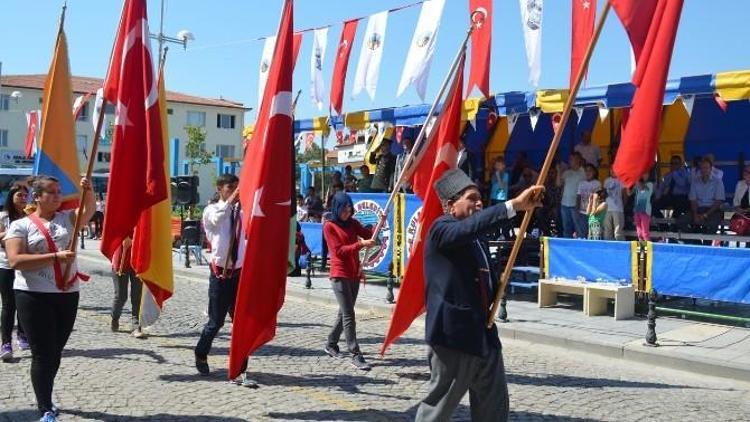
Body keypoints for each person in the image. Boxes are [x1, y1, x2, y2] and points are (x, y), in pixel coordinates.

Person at [415, 169, 543, 421]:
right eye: (472, 198)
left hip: (484, 335)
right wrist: (513, 205)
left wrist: (498, 285)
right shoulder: (440, 229)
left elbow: (480, 279)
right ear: (451, 205)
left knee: (493, 410)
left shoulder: (476, 239)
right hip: (454, 338)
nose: (479, 203)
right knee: (437, 411)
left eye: (480, 198)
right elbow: (470, 228)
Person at [5, 175, 95, 421]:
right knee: (42, 353)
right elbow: (15, 260)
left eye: (59, 191)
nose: (57, 196)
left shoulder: (69, 219)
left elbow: (90, 210)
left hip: (67, 294)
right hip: (33, 295)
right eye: (51, 192)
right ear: (37, 197)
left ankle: (46, 391)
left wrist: (88, 189)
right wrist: (55, 257)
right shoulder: (20, 225)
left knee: (55, 351)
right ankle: (44, 406)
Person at [194, 174, 254, 387]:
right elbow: (218, 218)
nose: (235, 191)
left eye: (237, 187)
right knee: (216, 322)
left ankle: (240, 367)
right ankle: (201, 352)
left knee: (241, 323)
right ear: (220, 188)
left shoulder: (241, 211)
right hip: (220, 275)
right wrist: (231, 201)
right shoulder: (212, 209)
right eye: (231, 187)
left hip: (239, 274)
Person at [322, 192, 376, 371]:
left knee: (344, 313)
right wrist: (361, 244)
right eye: (344, 209)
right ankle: (355, 353)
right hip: (339, 274)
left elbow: (368, 234)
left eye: (349, 209)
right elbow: (339, 251)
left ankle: (331, 343)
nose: (347, 212)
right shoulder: (329, 227)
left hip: (354, 273)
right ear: (337, 208)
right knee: (348, 314)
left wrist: (378, 225)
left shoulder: (353, 223)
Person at [0, 183, 30, 361]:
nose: (23, 199)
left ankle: (22, 334)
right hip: (5, 264)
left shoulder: (30, 215)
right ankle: (6, 342)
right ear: (11, 197)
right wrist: (14, 231)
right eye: (19, 195)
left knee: (23, 303)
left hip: (25, 265)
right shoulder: (4, 216)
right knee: (9, 304)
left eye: (26, 196)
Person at [679, 158, 726, 239]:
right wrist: (695, 215)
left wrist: (705, 215)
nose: (704, 170)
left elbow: (718, 202)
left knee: (712, 225)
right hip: (698, 209)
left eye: (706, 168)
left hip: (713, 210)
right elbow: (693, 201)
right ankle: (694, 240)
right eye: (702, 168)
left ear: (711, 169)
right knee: (681, 221)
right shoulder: (695, 181)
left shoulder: (718, 182)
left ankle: (707, 246)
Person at [110, 236, 145, 338]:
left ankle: (136, 325)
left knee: (137, 295)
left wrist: (136, 241)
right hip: (121, 258)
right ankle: (115, 317)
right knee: (121, 296)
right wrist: (121, 238)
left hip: (137, 259)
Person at [557, 153, 586, 238]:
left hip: (576, 204)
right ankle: (567, 247)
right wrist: (558, 171)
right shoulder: (566, 172)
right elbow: (558, 184)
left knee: (579, 228)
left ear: (578, 160)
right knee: (566, 228)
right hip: (565, 203)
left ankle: (580, 246)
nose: (569, 161)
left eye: (571, 159)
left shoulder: (583, 172)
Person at [576, 164, 601, 239]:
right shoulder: (581, 183)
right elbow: (578, 197)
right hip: (582, 212)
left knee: (593, 233)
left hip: (593, 213)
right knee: (582, 232)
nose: (588, 172)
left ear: (594, 172)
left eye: (590, 170)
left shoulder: (597, 183)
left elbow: (599, 198)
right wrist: (577, 209)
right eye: (586, 171)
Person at [489, 156, 512, 239]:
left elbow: (502, 186)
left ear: (503, 166)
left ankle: (504, 233)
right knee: (495, 217)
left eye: (499, 165)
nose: (498, 166)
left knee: (501, 216)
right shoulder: (493, 175)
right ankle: (496, 233)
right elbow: (492, 186)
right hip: (494, 197)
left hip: (501, 198)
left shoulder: (505, 175)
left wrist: (498, 176)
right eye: (496, 165)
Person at [603, 170, 626, 240]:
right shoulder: (606, 180)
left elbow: (624, 194)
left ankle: (620, 247)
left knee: (618, 231)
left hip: (618, 209)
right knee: (607, 229)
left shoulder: (621, 180)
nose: (613, 171)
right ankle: (608, 247)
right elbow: (603, 194)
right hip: (607, 208)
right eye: (611, 169)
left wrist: (623, 205)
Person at [632, 174, 655, 241]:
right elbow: (629, 193)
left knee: (645, 232)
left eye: (646, 174)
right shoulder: (637, 184)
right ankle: (642, 250)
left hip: (645, 211)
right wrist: (628, 185)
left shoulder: (650, 184)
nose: (644, 175)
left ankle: (647, 249)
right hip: (637, 210)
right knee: (639, 233)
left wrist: (636, 180)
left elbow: (642, 187)